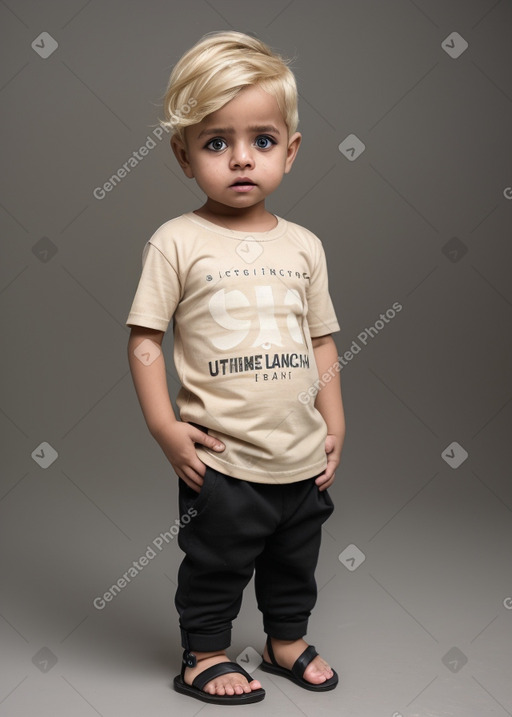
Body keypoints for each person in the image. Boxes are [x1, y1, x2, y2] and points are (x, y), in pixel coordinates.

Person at [126, 30, 346, 706]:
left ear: (292, 149)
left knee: (294, 561)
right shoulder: (177, 241)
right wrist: (165, 426)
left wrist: (335, 422)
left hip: (300, 455)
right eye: (216, 142)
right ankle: (206, 652)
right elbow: (143, 339)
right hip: (222, 460)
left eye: (262, 140)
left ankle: (284, 640)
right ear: (184, 155)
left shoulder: (305, 246)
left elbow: (323, 342)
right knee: (216, 564)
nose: (241, 159)